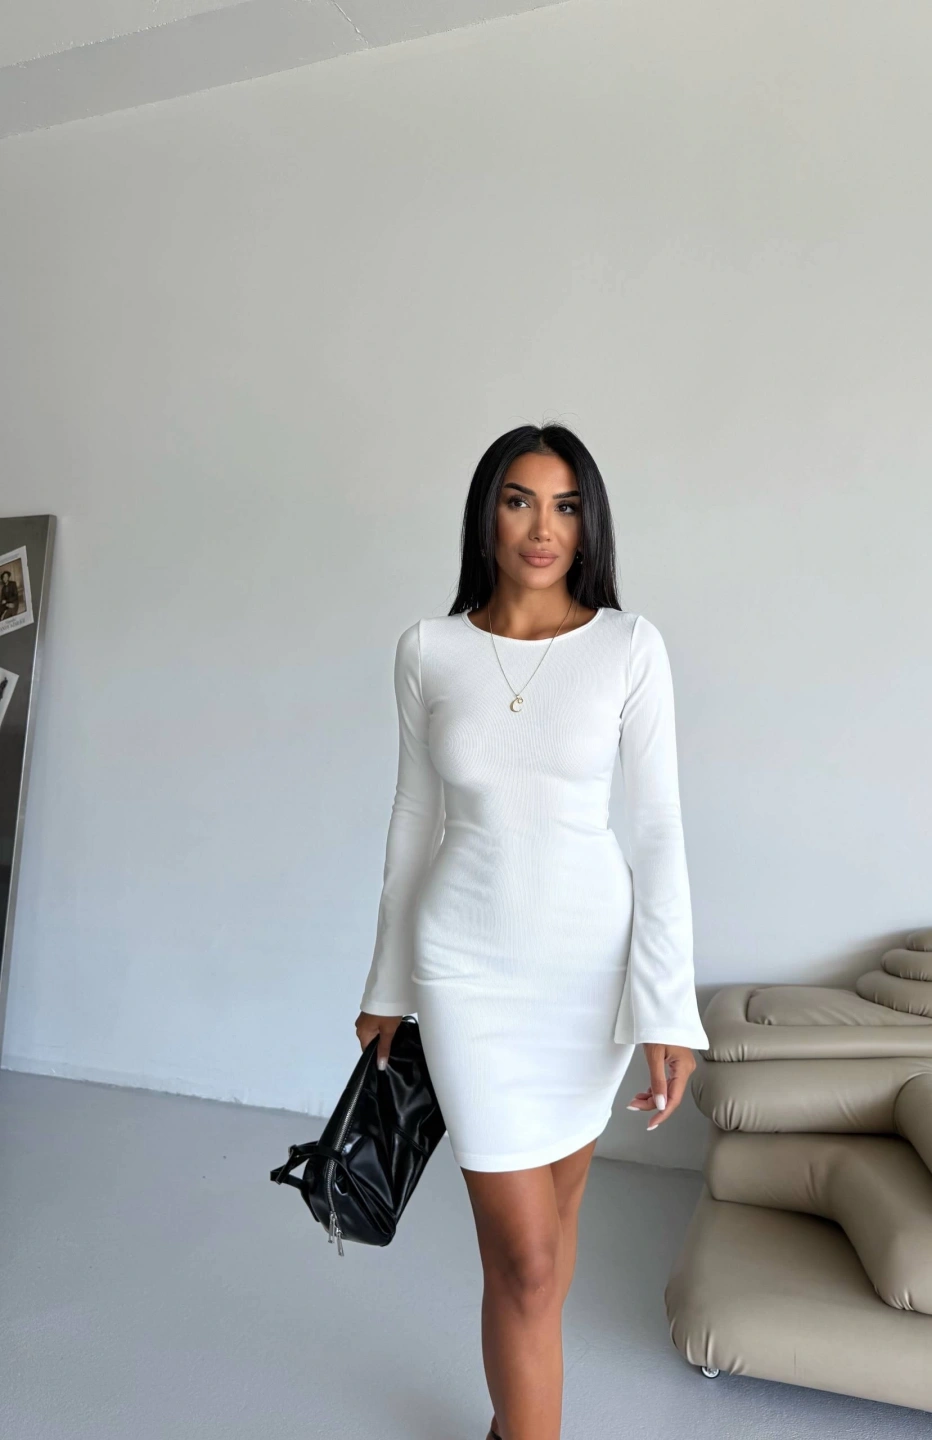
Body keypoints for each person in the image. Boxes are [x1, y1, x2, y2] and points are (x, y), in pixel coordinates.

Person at [355, 423, 709, 1440]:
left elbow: (658, 830)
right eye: (519, 500)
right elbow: (413, 820)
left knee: (548, 1239)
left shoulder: (629, 648)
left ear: (588, 523)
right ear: (487, 513)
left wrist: (667, 1009)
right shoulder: (429, 651)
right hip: (465, 974)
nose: (542, 527)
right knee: (525, 1258)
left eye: (565, 505)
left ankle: (513, 1420)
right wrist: (387, 985)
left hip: (589, 979)